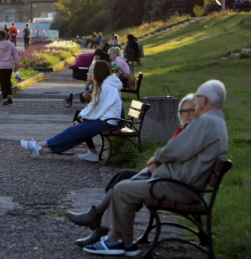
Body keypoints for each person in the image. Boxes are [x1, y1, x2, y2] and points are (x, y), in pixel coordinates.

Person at [82, 80, 228, 257]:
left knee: (122, 189)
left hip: (181, 188)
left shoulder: (206, 122)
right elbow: (183, 151)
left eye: (197, 97)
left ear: (204, 101)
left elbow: (176, 149)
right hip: (187, 185)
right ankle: (123, 243)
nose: (195, 101)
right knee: (124, 185)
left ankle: (119, 242)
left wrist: (157, 157)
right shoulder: (215, 122)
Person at [67, 94, 196, 247]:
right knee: (123, 175)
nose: (186, 114)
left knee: (121, 188)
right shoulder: (184, 131)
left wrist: (158, 160)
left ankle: (100, 224)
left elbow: (172, 157)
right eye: (183, 111)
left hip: (168, 182)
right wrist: (158, 161)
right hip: (163, 176)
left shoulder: (193, 133)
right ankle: (98, 217)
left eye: (191, 111)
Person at [20, 61, 123, 158]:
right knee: (76, 132)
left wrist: (81, 119)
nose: (87, 73)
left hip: (107, 123)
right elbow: (96, 107)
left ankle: (37, 145)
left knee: (73, 131)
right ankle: (41, 150)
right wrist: (81, 119)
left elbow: (96, 109)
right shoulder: (104, 85)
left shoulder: (106, 86)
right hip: (104, 120)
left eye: (90, 71)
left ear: (97, 72)